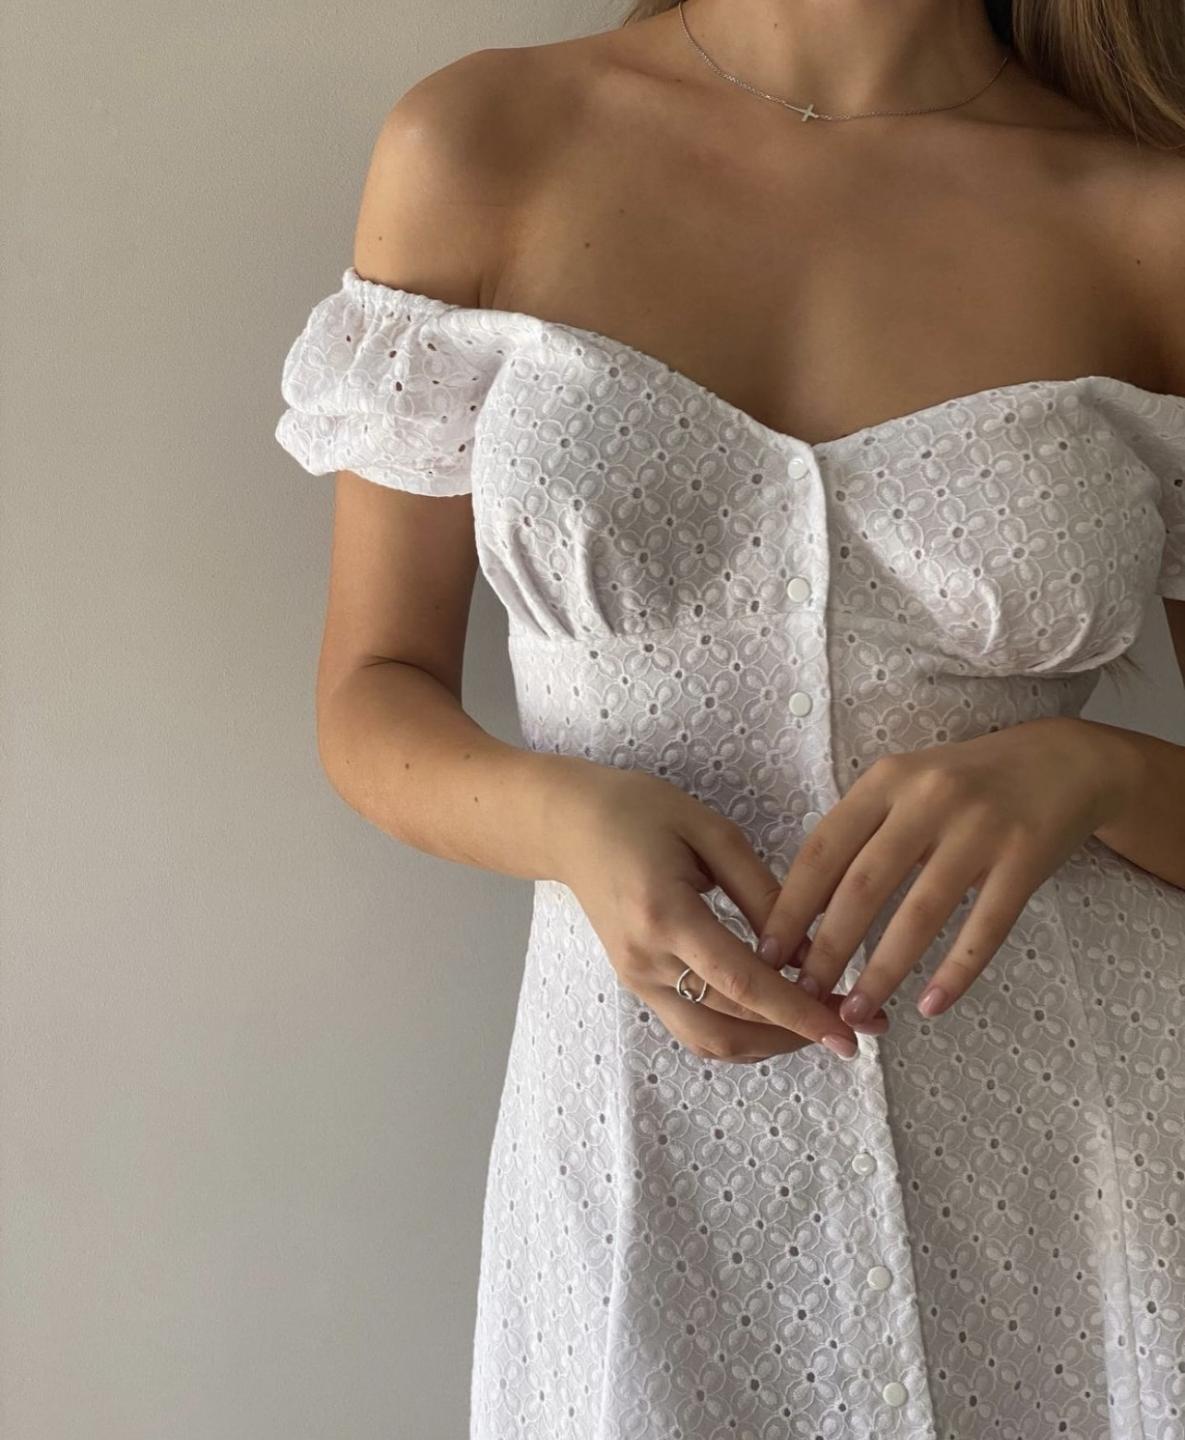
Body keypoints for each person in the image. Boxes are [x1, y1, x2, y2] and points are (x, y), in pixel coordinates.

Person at [274, 0, 1185, 1433]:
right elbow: (368, 694)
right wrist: (565, 820)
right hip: (645, 1145)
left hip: (1081, 1173)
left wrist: (1094, 772)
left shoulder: (1149, 215)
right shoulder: (485, 145)